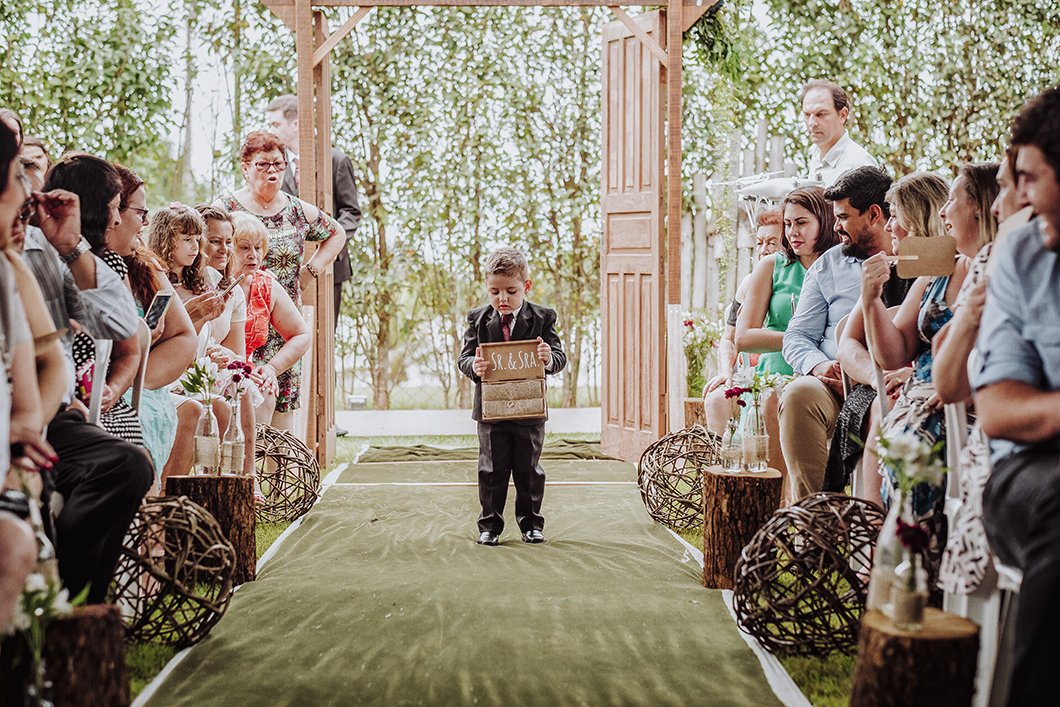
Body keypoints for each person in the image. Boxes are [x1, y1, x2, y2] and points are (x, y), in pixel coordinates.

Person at [18, 141, 152, 604]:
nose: (24, 218)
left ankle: (71, 600)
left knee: (128, 464)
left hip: (52, 416)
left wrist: (70, 246)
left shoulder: (46, 252)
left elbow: (117, 324)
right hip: (19, 416)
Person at [863, 167, 997, 573]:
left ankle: (918, 570)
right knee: (898, 439)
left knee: (918, 449)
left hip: (971, 403)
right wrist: (870, 300)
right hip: (920, 395)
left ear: (980, 209)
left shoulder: (1002, 271)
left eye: (952, 201)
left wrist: (954, 386)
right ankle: (888, 560)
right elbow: (895, 352)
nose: (943, 211)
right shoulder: (940, 264)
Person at [974, 85, 1060, 707]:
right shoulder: (1023, 252)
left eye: (1029, 179)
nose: (1020, 200)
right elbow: (998, 409)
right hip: (1029, 469)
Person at [215, 131, 345, 432]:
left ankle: (276, 458)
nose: (272, 171)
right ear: (246, 168)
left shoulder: (296, 210)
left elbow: (336, 233)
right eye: (263, 164)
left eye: (278, 164)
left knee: (278, 411)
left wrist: (311, 271)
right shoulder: (226, 209)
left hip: (282, 326)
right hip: (236, 320)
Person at [458, 248, 566, 546]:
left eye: (511, 291)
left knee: (528, 470)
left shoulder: (543, 317)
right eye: (494, 292)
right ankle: (490, 526)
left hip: (529, 410)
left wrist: (548, 358)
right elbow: (464, 359)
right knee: (491, 470)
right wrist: (474, 366)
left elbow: (559, 358)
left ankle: (531, 524)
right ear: (486, 287)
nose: (502, 298)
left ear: (526, 286)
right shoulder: (478, 319)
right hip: (491, 411)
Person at [736, 187, 838, 499]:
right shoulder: (771, 266)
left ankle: (805, 507)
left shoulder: (842, 265)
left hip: (828, 375)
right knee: (771, 399)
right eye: (788, 224)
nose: (792, 232)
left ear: (825, 221)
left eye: (801, 223)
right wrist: (800, 342)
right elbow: (743, 337)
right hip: (776, 371)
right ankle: (776, 505)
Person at [265, 94, 362, 328]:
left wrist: (327, 246)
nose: (271, 131)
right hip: (284, 268)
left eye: (276, 124)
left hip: (329, 266)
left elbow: (351, 212)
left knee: (324, 331)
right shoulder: (274, 165)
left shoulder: (336, 160)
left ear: (296, 124)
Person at [702, 209, 782, 434]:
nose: (763, 250)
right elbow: (728, 338)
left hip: (779, 372)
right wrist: (726, 371)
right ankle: (722, 456)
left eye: (772, 243)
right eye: (759, 243)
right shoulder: (748, 284)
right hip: (746, 375)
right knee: (716, 399)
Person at [229, 212, 311, 424]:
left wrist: (272, 368)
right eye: (244, 247)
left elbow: (302, 334)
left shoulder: (266, 285)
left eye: (258, 247)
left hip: (245, 372)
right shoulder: (210, 281)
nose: (253, 255)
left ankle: (253, 446)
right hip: (210, 367)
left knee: (264, 387)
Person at [800, 79, 876, 187]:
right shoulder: (815, 154)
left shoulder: (859, 164)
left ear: (842, 115)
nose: (812, 123)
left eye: (821, 114)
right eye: (807, 115)